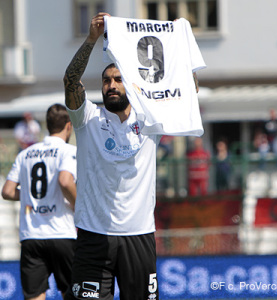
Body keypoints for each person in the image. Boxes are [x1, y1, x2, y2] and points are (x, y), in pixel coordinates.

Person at [63, 12, 204, 300]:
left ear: (131, 83)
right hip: (93, 235)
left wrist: (175, 40)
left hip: (138, 236)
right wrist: (91, 40)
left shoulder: (151, 116)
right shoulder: (87, 118)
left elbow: (189, 88)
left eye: (117, 79)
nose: (111, 85)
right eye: (106, 81)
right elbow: (70, 80)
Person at [1, 104, 77, 300]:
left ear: (48, 126)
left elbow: (8, 191)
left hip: (31, 235)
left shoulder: (25, 154)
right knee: (72, 293)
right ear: (68, 126)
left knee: (34, 296)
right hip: (62, 233)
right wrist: (79, 206)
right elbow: (65, 181)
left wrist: (27, 195)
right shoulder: (68, 151)